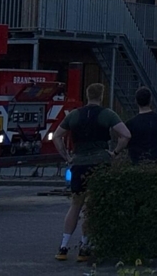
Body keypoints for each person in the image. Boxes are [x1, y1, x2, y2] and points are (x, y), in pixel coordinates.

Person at [53, 83, 131, 262]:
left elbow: (57, 136)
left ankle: (63, 246)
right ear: (101, 95)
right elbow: (126, 135)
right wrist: (115, 152)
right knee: (90, 205)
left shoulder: (74, 115)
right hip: (99, 163)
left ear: (87, 95)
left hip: (78, 162)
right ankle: (84, 247)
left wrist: (67, 156)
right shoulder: (107, 114)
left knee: (75, 204)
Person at [126, 87, 157, 165]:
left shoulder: (130, 123)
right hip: (154, 161)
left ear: (136, 101)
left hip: (136, 162)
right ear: (150, 100)